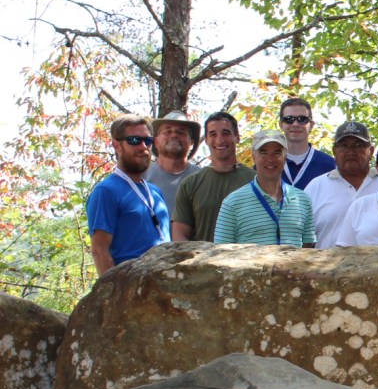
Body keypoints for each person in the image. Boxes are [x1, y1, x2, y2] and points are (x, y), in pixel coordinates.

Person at [86, 114, 170, 274]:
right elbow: (99, 250)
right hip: (130, 288)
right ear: (116, 145)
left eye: (148, 141)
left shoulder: (155, 192)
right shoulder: (106, 192)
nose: (143, 147)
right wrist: (114, 296)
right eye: (134, 140)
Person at [214, 130, 316, 247]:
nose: (270, 159)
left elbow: (308, 248)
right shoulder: (232, 203)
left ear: (285, 157)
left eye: (277, 153)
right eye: (264, 153)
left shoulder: (302, 200)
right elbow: (220, 253)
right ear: (253, 157)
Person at [172, 111, 254, 243]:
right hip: (202, 262)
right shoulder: (190, 183)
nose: (219, 140)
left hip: (246, 261)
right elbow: (179, 235)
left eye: (226, 133)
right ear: (206, 140)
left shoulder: (257, 181)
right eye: (213, 134)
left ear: (237, 137)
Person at [305, 121, 378, 249]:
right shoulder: (316, 187)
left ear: (371, 151)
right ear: (334, 151)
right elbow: (303, 239)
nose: (351, 152)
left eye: (358, 145)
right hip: (325, 267)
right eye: (344, 146)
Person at [144, 110, 201, 212]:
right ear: (156, 141)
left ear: (191, 143)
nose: (174, 135)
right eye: (167, 131)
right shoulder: (140, 177)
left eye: (181, 132)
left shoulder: (202, 178)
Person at [278, 97, 336, 190]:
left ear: (311, 125)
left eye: (302, 119)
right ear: (281, 125)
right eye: (289, 119)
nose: (295, 124)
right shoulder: (267, 164)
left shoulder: (330, 166)